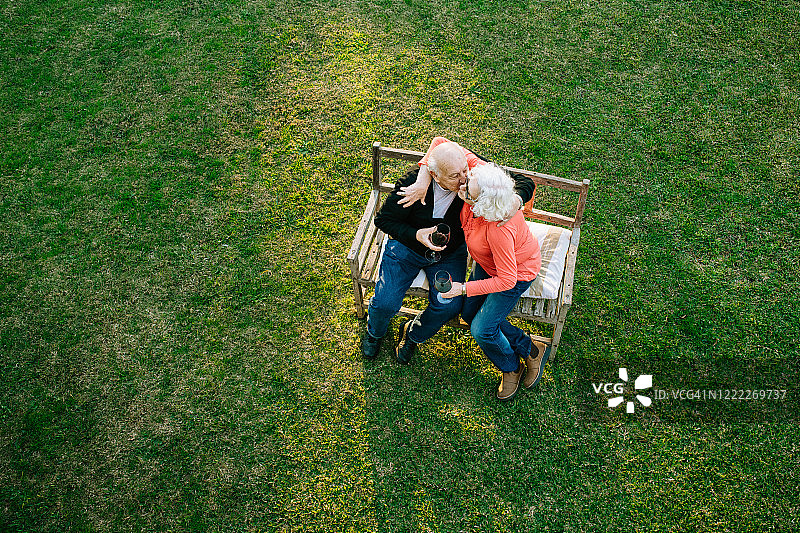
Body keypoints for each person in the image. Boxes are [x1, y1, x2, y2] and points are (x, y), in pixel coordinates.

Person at [361, 138, 536, 364]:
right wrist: (417, 235)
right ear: (434, 175)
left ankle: (413, 335)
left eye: (465, 170)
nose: (464, 180)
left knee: (449, 304)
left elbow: (522, 181)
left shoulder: (472, 178)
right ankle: (374, 333)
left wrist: (515, 201)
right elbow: (384, 220)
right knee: (386, 302)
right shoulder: (414, 183)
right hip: (407, 248)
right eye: (455, 176)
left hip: (449, 253)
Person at [438, 162, 551, 401]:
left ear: (482, 204)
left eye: (467, 188)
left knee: (482, 329)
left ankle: (511, 366)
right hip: (488, 264)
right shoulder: (477, 186)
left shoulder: (498, 230)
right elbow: (440, 143)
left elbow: (507, 280)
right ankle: (530, 348)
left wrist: (465, 288)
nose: (462, 184)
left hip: (515, 273)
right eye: (468, 178)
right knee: (469, 314)